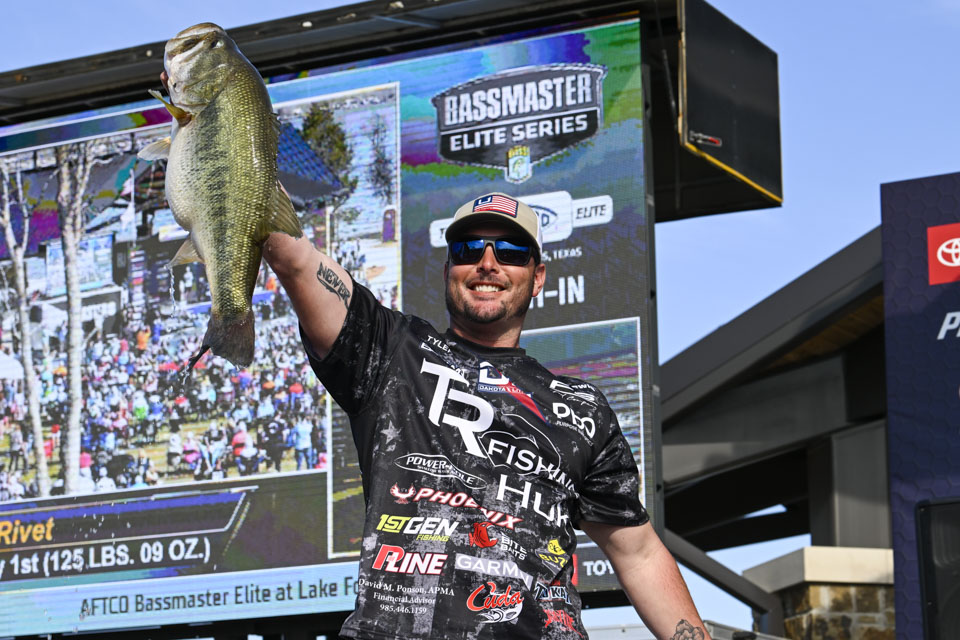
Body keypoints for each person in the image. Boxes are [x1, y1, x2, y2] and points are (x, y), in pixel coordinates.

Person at [262, 192, 710, 639]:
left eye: (510, 252)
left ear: (537, 278)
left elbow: (639, 554)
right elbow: (295, 259)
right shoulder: (393, 351)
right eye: (468, 249)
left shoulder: (583, 409)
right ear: (448, 271)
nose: (488, 263)